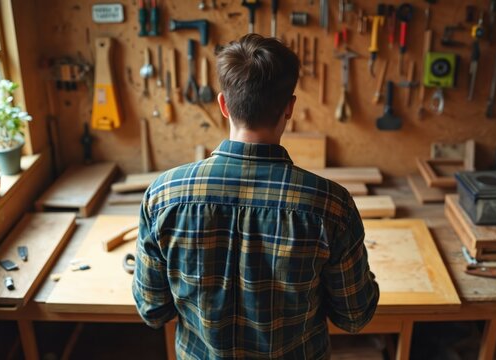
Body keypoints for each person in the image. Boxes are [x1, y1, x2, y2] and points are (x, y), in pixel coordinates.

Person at [133, 33, 379, 359]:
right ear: (289, 107)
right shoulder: (331, 205)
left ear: (223, 104)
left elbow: (153, 310)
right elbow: (354, 316)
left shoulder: (164, 196)